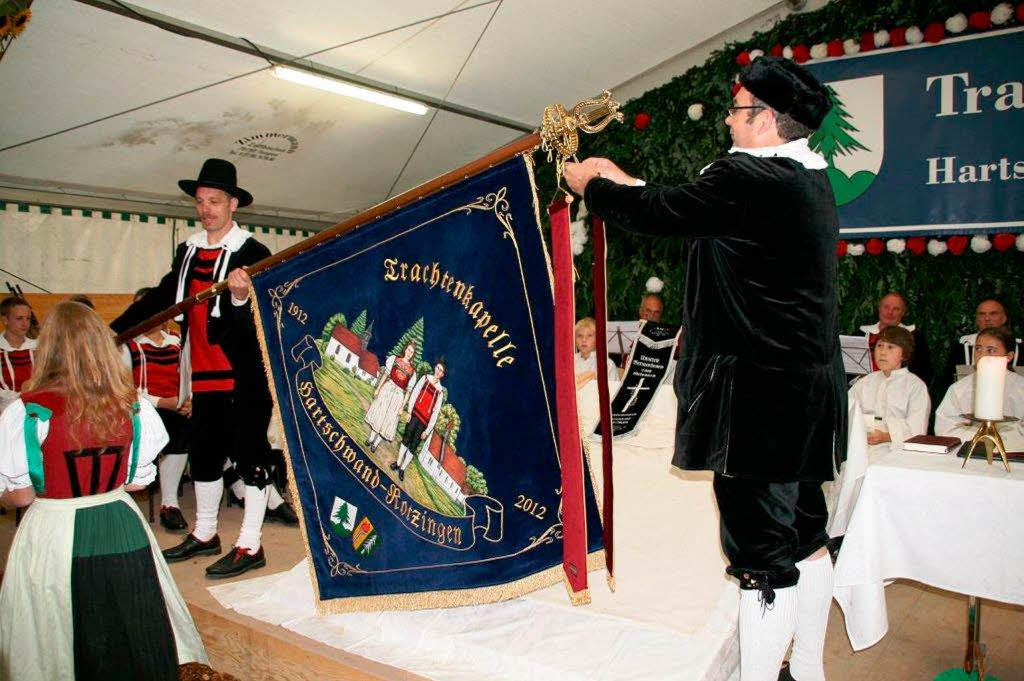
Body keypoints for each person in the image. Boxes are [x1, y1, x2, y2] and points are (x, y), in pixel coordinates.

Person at [565, 56, 845, 681]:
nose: (728, 118)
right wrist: (618, 179)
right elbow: (690, 207)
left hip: (759, 398)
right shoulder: (805, 182)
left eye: (738, 110)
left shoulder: (748, 179)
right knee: (805, 531)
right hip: (807, 391)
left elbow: (664, 214)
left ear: (768, 121)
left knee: (759, 555)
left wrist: (591, 186)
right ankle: (807, 667)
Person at [0, 301, 207, 680]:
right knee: (134, 627)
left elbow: (22, 495)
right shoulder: (133, 405)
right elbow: (137, 482)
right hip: (120, 522)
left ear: (47, 346)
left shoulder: (26, 410)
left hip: (53, 530)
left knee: (59, 638)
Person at [111, 157, 275, 578]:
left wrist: (239, 299)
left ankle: (250, 544)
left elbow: (262, 320)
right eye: (200, 201)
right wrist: (112, 332)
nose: (205, 209)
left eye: (214, 201)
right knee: (203, 456)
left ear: (233, 204)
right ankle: (205, 533)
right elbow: (164, 297)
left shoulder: (253, 252)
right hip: (199, 372)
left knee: (249, 457)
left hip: (243, 375)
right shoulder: (187, 250)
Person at [120, 287, 192, 532]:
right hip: (145, 408)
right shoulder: (127, 346)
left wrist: (189, 399)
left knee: (213, 422)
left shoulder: (178, 341)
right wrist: (164, 402)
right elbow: (124, 389)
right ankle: (169, 504)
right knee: (176, 428)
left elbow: (191, 376)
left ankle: (240, 485)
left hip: (179, 404)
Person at [935, 326, 1024, 449]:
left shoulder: (1021, 387)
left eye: (991, 350)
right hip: (970, 449)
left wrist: (1006, 439)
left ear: (1009, 356)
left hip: (1014, 451)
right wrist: (982, 438)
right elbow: (945, 428)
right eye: (978, 349)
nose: (981, 356)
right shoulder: (959, 388)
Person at [848, 326, 929, 453]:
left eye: (890, 347)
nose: (882, 352)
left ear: (904, 354)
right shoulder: (864, 382)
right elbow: (846, 413)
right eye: (880, 346)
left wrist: (886, 437)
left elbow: (918, 430)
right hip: (861, 450)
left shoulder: (915, 387)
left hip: (898, 453)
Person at [858, 292, 931, 384]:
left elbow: (923, 372)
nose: (890, 312)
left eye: (896, 309)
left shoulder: (915, 338)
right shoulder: (860, 334)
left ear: (903, 313)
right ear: (879, 308)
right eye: (886, 307)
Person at [393, 358, 446, 482]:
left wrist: (427, 431)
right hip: (414, 415)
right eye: (438, 368)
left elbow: (435, 413)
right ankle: (398, 462)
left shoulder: (440, 392)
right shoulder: (425, 378)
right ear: (435, 368)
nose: (438, 371)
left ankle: (402, 469)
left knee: (413, 445)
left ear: (443, 375)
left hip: (423, 423)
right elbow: (415, 393)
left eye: (441, 371)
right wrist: (409, 411)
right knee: (406, 438)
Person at [365, 340, 417, 452]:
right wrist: (378, 388)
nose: (409, 353)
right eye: (408, 350)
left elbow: (408, 392)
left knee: (389, 418)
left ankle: (376, 443)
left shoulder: (413, 372)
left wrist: (402, 407)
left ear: (413, 355)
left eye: (412, 352)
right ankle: (370, 439)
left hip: (398, 395)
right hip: (388, 388)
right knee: (380, 412)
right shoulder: (394, 359)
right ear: (405, 349)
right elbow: (385, 375)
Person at [0, 296, 36, 413]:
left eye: (28, 318)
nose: (25, 323)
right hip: (4, 411)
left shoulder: (36, 348)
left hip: (34, 408)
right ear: (5, 320)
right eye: (19, 318)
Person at [574, 317, 617, 389]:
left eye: (589, 336)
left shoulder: (607, 364)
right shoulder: (569, 361)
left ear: (598, 338)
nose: (584, 340)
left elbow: (613, 391)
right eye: (579, 336)